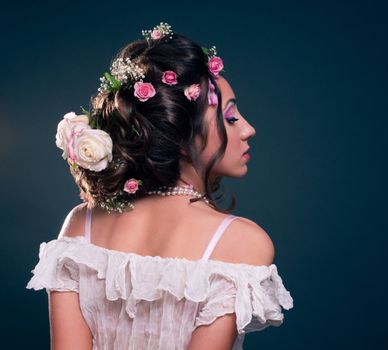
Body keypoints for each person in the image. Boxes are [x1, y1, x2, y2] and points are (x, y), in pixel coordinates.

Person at [26, 22, 293, 350]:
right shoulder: (244, 242)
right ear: (180, 135)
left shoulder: (82, 222)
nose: (248, 129)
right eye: (231, 117)